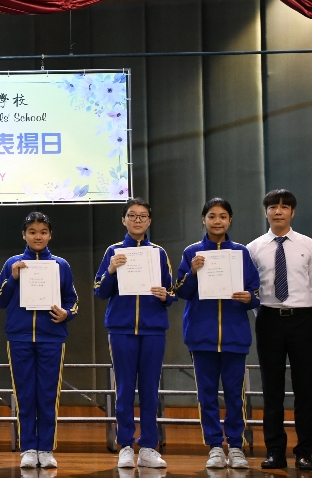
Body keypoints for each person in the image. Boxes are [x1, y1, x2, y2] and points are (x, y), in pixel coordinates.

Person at [174, 198, 260, 470]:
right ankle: (214, 446)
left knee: (235, 395)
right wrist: (193, 272)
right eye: (212, 216)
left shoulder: (241, 253)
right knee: (207, 394)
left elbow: (256, 291)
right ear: (203, 219)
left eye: (223, 216)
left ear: (230, 220)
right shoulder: (192, 253)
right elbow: (180, 291)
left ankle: (235, 446)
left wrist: (249, 298)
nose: (217, 221)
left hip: (235, 336)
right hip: (202, 335)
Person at [0, 211, 78, 470]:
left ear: (50, 235)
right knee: (25, 394)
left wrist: (66, 314)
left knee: (48, 395)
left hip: (51, 338)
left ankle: (46, 448)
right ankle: (29, 448)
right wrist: (12, 279)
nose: (37, 236)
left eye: (43, 232)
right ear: (24, 235)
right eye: (32, 232)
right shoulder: (13, 263)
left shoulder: (61, 265)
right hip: (19, 338)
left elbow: (72, 301)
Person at [246, 189, 312, 471]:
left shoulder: (309, 245)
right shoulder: (253, 248)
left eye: (284, 207)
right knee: (272, 389)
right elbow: (252, 288)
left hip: (302, 320)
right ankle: (275, 451)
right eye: (273, 207)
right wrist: (266, 313)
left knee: (304, 389)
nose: (278, 211)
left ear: (293, 212)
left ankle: (304, 452)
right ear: (265, 211)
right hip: (269, 320)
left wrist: (300, 312)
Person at [93, 198, 174, 469]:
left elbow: (171, 291)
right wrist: (111, 270)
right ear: (124, 220)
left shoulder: (159, 253)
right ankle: (125, 445)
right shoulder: (113, 251)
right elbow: (99, 290)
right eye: (132, 215)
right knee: (125, 389)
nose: (137, 220)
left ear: (149, 221)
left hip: (153, 329)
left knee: (150, 390)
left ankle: (148, 446)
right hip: (122, 329)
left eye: (142, 216)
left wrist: (165, 295)